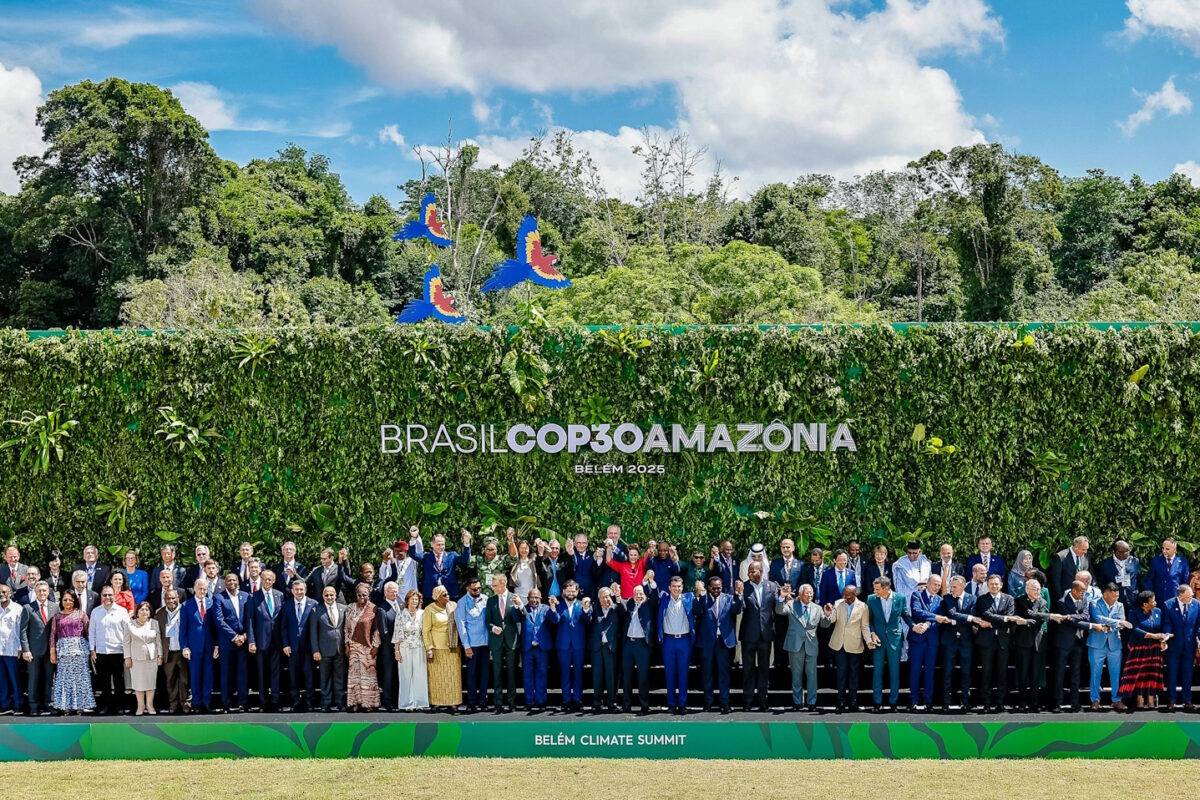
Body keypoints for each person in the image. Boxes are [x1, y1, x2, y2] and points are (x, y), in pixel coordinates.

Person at [1052, 579, 1101, 712]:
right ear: (1073, 590)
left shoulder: (1084, 599)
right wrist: (1090, 625)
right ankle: (1057, 703)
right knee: (1060, 673)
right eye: (1081, 592)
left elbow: (1085, 616)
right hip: (1064, 642)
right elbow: (1069, 622)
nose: (1083, 594)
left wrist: (1071, 616)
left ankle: (1075, 703)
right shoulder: (1062, 602)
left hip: (1078, 642)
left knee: (1076, 673)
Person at [696, 575, 743, 713]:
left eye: (719, 588)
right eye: (714, 588)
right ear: (709, 588)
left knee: (724, 673)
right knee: (707, 673)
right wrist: (699, 595)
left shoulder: (728, 598)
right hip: (707, 642)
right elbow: (697, 610)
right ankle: (708, 702)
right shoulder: (704, 598)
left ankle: (725, 702)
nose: (717, 590)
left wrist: (739, 595)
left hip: (723, 642)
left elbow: (737, 609)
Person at [653, 575, 696, 715]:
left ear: (682, 587)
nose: (676, 589)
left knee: (683, 673)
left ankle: (682, 704)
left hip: (684, 640)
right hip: (668, 640)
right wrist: (651, 581)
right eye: (674, 586)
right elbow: (652, 593)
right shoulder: (663, 598)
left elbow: (700, 606)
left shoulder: (689, 598)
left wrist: (701, 591)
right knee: (669, 673)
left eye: (679, 586)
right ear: (669, 588)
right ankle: (671, 704)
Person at [974, 574, 1017, 713]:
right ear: (987, 585)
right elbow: (985, 614)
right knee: (986, 673)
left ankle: (1000, 703)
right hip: (987, 641)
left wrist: (997, 621)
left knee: (1002, 673)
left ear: (1001, 585)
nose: (994, 586)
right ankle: (986, 703)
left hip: (1003, 641)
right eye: (991, 584)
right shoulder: (981, 599)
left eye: (996, 584)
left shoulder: (1009, 599)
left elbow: (1010, 617)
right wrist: (1004, 619)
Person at [777, 582, 822, 711]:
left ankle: (812, 702)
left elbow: (824, 624)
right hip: (795, 643)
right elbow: (780, 611)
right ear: (801, 594)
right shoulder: (791, 604)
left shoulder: (817, 608)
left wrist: (828, 615)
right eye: (807, 593)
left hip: (811, 644)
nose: (810, 595)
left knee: (812, 674)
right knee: (796, 674)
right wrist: (782, 597)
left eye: (811, 593)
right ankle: (797, 702)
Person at [824, 584, 869, 712]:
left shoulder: (863, 606)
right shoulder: (838, 603)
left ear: (855, 594)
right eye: (844, 594)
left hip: (854, 644)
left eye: (849, 595)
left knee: (854, 674)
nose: (846, 597)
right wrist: (828, 614)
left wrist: (868, 641)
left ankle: (853, 702)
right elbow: (832, 619)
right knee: (841, 674)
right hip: (839, 644)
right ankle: (840, 702)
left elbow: (865, 626)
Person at [1119, 590, 1166, 711]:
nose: (1155, 602)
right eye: (1153, 601)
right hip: (1139, 648)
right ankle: (1139, 699)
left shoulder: (1158, 611)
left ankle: (1151, 698)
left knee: (1152, 673)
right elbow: (1135, 629)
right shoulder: (1133, 613)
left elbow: (1161, 628)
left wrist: (1163, 640)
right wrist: (1153, 636)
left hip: (1155, 648)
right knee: (1139, 674)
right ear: (1145, 604)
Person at [740, 561, 777, 712]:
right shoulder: (743, 587)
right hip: (748, 635)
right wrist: (738, 595)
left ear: (760, 571)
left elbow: (777, 607)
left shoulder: (772, 586)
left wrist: (783, 598)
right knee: (748, 669)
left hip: (765, 634)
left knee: (764, 669)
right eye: (749, 571)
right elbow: (739, 608)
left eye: (752, 571)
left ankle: (763, 700)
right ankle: (747, 701)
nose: (749, 574)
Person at [1088, 582, 1130, 711]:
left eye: (1117, 596)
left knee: (1116, 673)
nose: (1116, 598)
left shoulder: (1120, 605)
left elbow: (1122, 624)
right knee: (1095, 673)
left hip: (1115, 644)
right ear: (1105, 594)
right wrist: (1118, 622)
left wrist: (1112, 626)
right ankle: (1095, 700)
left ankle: (1116, 700)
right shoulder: (1094, 603)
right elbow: (1097, 619)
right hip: (1096, 643)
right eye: (1113, 596)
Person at [905, 573, 945, 711]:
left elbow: (940, 620)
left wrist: (928, 624)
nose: (936, 587)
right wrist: (935, 617)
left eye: (939, 585)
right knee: (915, 671)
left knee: (930, 672)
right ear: (928, 583)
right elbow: (916, 611)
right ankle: (913, 701)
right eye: (934, 584)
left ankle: (929, 702)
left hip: (932, 641)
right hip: (917, 639)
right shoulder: (917, 595)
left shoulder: (940, 600)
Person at [49, 590, 94, 714]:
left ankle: (80, 705)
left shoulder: (82, 614)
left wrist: (92, 650)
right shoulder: (57, 616)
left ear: (75, 601)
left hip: (80, 650)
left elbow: (89, 633)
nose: (68, 602)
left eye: (70, 599)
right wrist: (52, 652)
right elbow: (53, 635)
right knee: (64, 678)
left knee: (80, 678)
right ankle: (65, 706)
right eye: (65, 600)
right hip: (63, 651)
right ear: (61, 601)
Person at [88, 584, 130, 714]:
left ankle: (119, 706)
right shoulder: (96, 611)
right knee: (104, 681)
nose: (107, 597)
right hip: (101, 651)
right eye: (105, 595)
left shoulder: (122, 611)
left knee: (118, 681)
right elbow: (91, 632)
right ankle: (105, 706)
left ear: (115, 595)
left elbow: (127, 632)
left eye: (110, 595)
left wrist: (127, 651)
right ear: (101, 596)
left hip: (118, 651)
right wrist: (92, 649)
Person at [1012, 578, 1052, 711]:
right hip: (1023, 642)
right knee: (1022, 673)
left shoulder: (1043, 601)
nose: (1038, 592)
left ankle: (1034, 703)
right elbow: (1025, 613)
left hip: (1038, 643)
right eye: (1035, 589)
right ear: (1027, 589)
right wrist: (1032, 619)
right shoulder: (1019, 600)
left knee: (1035, 674)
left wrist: (1029, 621)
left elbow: (1043, 618)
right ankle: (1022, 702)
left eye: (1039, 589)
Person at [213, 573, 250, 711]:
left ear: (238, 582)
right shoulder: (219, 597)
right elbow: (219, 620)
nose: (232, 582)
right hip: (227, 641)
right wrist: (234, 637)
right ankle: (226, 703)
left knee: (242, 673)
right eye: (229, 580)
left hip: (243, 641)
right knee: (226, 673)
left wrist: (245, 635)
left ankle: (242, 702)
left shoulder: (246, 596)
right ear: (225, 583)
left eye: (234, 580)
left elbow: (250, 618)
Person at [867, 576, 905, 711]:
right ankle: (877, 703)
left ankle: (893, 702)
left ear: (886, 588)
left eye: (877, 589)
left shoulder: (900, 598)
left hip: (895, 639)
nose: (874, 591)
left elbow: (905, 615)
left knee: (895, 672)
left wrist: (914, 626)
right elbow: (869, 620)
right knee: (877, 671)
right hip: (878, 640)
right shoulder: (871, 599)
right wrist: (872, 633)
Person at [552, 580, 591, 712]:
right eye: (568, 591)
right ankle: (566, 700)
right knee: (565, 673)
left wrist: (586, 609)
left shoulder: (583, 604)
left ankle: (577, 699)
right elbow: (554, 620)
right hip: (563, 645)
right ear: (563, 591)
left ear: (577, 591)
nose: (571, 593)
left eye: (573, 591)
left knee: (578, 673)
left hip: (578, 644)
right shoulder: (558, 604)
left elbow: (588, 620)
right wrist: (553, 608)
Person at [247, 569, 284, 711]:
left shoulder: (280, 595)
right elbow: (250, 620)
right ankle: (263, 702)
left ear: (274, 581)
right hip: (261, 641)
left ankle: (275, 701)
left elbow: (282, 620)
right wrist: (251, 641)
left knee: (276, 673)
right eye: (264, 579)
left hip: (277, 641)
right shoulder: (253, 596)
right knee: (262, 673)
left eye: (270, 579)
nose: (267, 581)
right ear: (260, 580)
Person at [20, 580, 57, 716]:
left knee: (49, 679)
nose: (42, 593)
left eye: (44, 590)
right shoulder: (28, 608)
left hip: (50, 650)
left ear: (48, 592)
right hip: (34, 650)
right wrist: (26, 650)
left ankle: (48, 704)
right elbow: (23, 630)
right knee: (34, 679)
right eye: (39, 590)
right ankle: (33, 706)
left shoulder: (55, 607)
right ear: (35, 592)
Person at [939, 575, 976, 712]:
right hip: (950, 640)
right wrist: (969, 618)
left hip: (966, 640)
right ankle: (946, 702)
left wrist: (969, 619)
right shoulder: (947, 598)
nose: (951, 589)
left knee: (966, 672)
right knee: (947, 671)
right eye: (951, 586)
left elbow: (972, 616)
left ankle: (965, 701)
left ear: (962, 586)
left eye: (954, 587)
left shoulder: (973, 598)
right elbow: (951, 613)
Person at [422, 585, 461, 711]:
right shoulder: (429, 609)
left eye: (447, 593)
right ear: (437, 597)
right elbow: (425, 631)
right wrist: (429, 648)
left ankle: (453, 702)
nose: (447, 596)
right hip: (437, 648)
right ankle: (437, 702)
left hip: (452, 647)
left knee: (453, 676)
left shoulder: (453, 606)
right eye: (444, 595)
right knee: (437, 677)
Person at [180, 578, 217, 713]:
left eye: (205, 589)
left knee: (208, 675)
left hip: (209, 646)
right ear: (194, 589)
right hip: (193, 647)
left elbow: (215, 627)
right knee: (195, 676)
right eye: (200, 588)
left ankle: (207, 702)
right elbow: (182, 629)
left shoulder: (211, 603)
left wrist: (216, 645)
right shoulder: (186, 605)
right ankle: (196, 703)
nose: (202, 591)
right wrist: (184, 647)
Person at [485, 574, 521, 713]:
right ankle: (498, 703)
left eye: (495, 585)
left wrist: (519, 606)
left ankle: (512, 702)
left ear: (504, 583)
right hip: (496, 641)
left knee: (512, 672)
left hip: (511, 641)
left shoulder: (514, 597)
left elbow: (522, 617)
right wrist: (493, 628)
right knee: (497, 673)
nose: (492, 587)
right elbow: (487, 621)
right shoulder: (491, 600)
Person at [1162, 583, 1200, 711]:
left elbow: (1198, 625)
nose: (1191, 598)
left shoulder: (1196, 604)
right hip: (1174, 645)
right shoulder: (1168, 604)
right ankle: (1171, 701)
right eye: (1189, 596)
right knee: (1172, 674)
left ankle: (1187, 701)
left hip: (1190, 645)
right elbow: (1167, 623)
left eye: (1192, 596)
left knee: (1188, 674)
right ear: (1180, 595)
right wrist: (1167, 635)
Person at [309, 585, 347, 712]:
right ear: (323, 596)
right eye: (326, 595)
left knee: (339, 677)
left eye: (331, 595)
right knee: (325, 679)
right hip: (323, 651)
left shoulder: (344, 608)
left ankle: (340, 702)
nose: (329, 597)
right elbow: (313, 632)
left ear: (336, 595)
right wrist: (315, 650)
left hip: (340, 650)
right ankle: (326, 703)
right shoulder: (316, 610)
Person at [619, 582, 655, 714]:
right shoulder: (629, 603)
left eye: (641, 593)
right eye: (636, 593)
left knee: (643, 677)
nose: (638, 595)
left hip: (642, 645)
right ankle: (626, 705)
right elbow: (621, 605)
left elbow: (655, 596)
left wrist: (650, 584)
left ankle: (644, 705)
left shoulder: (649, 604)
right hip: (628, 644)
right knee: (626, 676)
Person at [344, 582, 380, 711]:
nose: (362, 597)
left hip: (368, 647)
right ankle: (354, 702)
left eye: (364, 595)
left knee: (368, 676)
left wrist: (376, 646)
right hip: (353, 647)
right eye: (359, 595)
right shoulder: (350, 608)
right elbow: (346, 628)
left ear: (369, 595)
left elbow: (376, 629)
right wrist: (347, 645)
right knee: (354, 676)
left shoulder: (373, 608)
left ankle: (368, 703)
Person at [281, 579, 317, 711]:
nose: (299, 592)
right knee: (293, 676)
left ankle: (310, 702)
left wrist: (316, 648)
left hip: (308, 647)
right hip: (292, 647)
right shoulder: (287, 605)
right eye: (296, 590)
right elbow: (283, 627)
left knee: (309, 675)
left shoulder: (314, 604)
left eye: (301, 589)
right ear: (292, 591)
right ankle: (295, 701)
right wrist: (285, 644)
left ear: (305, 590)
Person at [455, 577, 490, 712]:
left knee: (484, 673)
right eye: (474, 589)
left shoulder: (486, 599)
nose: (478, 591)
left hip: (485, 643)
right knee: (471, 674)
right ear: (468, 589)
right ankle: (471, 702)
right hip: (472, 644)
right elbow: (461, 625)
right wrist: (467, 646)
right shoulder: (462, 602)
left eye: (479, 588)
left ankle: (483, 701)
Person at [518, 587, 554, 713]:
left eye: (537, 597)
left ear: (541, 598)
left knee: (542, 675)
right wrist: (519, 606)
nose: (534, 600)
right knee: (527, 675)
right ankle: (529, 701)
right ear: (528, 599)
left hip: (541, 648)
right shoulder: (523, 609)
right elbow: (515, 617)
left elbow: (555, 619)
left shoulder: (546, 608)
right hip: (527, 648)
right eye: (532, 597)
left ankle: (541, 701)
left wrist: (553, 607)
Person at [393, 589, 429, 710]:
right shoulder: (400, 614)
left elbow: (425, 632)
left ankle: (420, 702)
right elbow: (397, 634)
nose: (414, 601)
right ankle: (407, 703)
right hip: (405, 648)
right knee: (405, 675)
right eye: (412, 599)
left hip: (419, 647)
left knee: (420, 674)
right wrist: (397, 651)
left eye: (416, 599)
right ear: (407, 601)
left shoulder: (423, 614)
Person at [122, 601, 161, 715]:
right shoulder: (130, 624)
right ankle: (140, 706)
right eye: (142, 609)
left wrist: (160, 655)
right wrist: (127, 657)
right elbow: (126, 642)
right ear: (137, 612)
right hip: (136, 658)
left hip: (151, 657)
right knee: (138, 683)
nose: (145, 612)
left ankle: (149, 705)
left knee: (151, 683)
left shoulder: (154, 623)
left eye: (147, 610)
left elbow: (158, 641)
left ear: (150, 612)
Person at [154, 589, 188, 714]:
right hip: (168, 652)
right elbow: (157, 635)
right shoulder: (160, 614)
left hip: (183, 652)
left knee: (184, 680)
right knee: (170, 680)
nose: (171, 600)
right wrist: (160, 654)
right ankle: (173, 703)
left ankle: (185, 703)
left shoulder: (185, 610)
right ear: (164, 600)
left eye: (173, 598)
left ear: (178, 598)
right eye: (168, 598)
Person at [589, 586, 621, 713]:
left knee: (611, 676)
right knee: (597, 676)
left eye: (607, 596)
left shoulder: (617, 608)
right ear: (598, 599)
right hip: (597, 647)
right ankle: (597, 702)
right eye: (602, 597)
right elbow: (586, 618)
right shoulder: (594, 609)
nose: (605, 599)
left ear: (610, 596)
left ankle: (612, 702)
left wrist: (618, 597)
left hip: (610, 647)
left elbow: (625, 611)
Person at [419, 530, 473, 600]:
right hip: (431, 594)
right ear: (432, 544)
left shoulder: (452, 555)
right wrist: (414, 537)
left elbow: (464, 560)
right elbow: (413, 554)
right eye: (438, 544)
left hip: (450, 593)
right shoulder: (426, 556)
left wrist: (466, 544)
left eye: (443, 544)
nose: (441, 547)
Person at [374, 581, 402, 711]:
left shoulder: (400, 605)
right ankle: (387, 701)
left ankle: (397, 700)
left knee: (398, 674)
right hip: (388, 649)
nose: (394, 593)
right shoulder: (382, 609)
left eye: (396, 591)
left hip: (400, 648)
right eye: (391, 591)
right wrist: (395, 645)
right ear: (385, 593)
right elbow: (384, 632)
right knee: (388, 675)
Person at [1096, 540, 1141, 612]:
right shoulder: (1106, 564)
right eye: (1126, 551)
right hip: (1115, 600)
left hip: (1132, 598)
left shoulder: (1135, 561)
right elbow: (1101, 582)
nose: (1128, 553)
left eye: (1128, 551)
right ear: (1117, 552)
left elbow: (1138, 579)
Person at [1150, 539, 1190, 613]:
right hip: (1159, 598)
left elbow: (1185, 581)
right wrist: (1150, 596)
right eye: (1163, 548)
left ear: (1174, 550)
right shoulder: (1156, 561)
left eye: (1167, 549)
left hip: (1175, 598)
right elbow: (1149, 579)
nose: (1164, 551)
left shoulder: (1182, 562)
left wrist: (1183, 596)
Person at [0, 585, 22, 713]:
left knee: (15, 679)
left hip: (12, 650)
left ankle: (18, 705)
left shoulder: (17, 609)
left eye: (4, 592)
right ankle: (5, 705)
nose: (1, 594)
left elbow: (21, 630)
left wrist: (20, 648)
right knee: (1, 680)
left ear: (10, 593)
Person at [1049, 536, 1091, 600]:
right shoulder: (1061, 557)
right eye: (1083, 549)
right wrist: (1061, 599)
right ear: (1076, 547)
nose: (1085, 552)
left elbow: (1090, 573)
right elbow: (1055, 581)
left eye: (1086, 549)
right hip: (1066, 597)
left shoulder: (1086, 556)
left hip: (1082, 598)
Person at [893, 541, 931, 607]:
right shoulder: (900, 564)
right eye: (909, 553)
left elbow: (929, 579)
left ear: (920, 552)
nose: (911, 555)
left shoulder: (925, 562)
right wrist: (923, 583)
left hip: (924, 596)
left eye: (914, 553)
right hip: (908, 596)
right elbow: (911, 581)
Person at [568, 533, 601, 599]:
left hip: (590, 594)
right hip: (574, 594)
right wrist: (570, 555)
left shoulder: (592, 555)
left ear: (587, 543)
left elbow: (597, 574)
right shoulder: (570, 555)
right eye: (579, 543)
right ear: (574, 543)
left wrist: (598, 559)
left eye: (584, 543)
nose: (581, 545)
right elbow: (568, 572)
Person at [510, 539, 539, 604]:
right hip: (517, 597)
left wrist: (538, 543)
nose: (524, 550)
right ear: (518, 549)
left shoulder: (533, 562)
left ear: (529, 549)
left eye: (526, 548)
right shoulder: (514, 563)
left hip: (531, 597)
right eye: (521, 548)